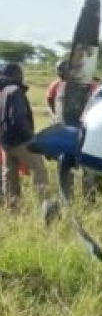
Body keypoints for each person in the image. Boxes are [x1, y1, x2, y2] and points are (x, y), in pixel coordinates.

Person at [0, 62, 49, 209]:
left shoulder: (1, 92)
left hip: (5, 141)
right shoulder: (15, 91)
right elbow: (18, 117)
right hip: (21, 141)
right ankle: (45, 204)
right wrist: (30, 138)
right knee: (38, 169)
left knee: (9, 175)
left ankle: (12, 208)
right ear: (16, 74)